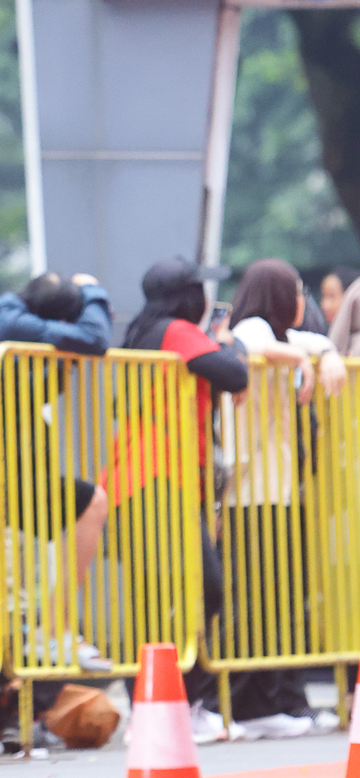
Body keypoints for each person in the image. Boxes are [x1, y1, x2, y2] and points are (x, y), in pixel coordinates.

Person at [120, 257, 250, 742]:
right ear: (187, 295)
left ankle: (157, 706)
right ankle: (174, 702)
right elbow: (233, 374)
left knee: (157, 597)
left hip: (144, 478)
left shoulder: (143, 331)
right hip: (160, 477)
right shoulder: (175, 331)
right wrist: (227, 346)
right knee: (204, 587)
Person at [222, 258, 343, 738]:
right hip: (249, 494)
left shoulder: (287, 337)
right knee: (255, 597)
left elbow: (315, 340)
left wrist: (325, 355)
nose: (301, 301)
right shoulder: (250, 328)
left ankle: (284, 701)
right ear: (276, 295)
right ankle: (254, 706)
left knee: (284, 596)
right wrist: (302, 361)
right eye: (295, 292)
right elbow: (252, 343)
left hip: (276, 491)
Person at [0, 272, 113, 641]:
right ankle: (53, 629)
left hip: (4, 466)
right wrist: (93, 289)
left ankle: (52, 629)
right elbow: (95, 338)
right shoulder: (12, 323)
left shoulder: (10, 318)